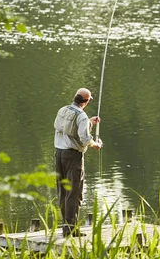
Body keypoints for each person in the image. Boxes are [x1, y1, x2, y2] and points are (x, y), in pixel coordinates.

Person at [53, 87, 103, 237]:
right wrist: (96, 144)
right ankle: (70, 230)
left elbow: (65, 128)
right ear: (85, 102)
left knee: (63, 191)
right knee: (74, 193)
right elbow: (84, 138)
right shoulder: (81, 116)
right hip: (73, 156)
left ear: (75, 97)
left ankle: (66, 227)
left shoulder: (63, 110)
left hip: (58, 154)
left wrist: (89, 123)